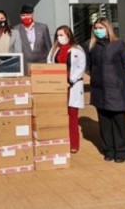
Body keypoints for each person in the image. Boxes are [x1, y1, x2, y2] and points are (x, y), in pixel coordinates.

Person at [87, 18, 125, 162]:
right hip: (100, 90)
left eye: (101, 27)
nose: (98, 30)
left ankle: (122, 150)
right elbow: (90, 66)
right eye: (96, 28)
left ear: (108, 28)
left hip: (116, 89)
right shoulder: (92, 46)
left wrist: (121, 82)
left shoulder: (118, 44)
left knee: (118, 121)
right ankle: (108, 149)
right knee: (104, 122)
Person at [47, 25, 86, 153]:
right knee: (58, 114)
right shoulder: (54, 49)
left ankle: (73, 144)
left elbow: (81, 67)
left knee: (72, 116)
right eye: (58, 35)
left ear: (69, 35)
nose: (60, 37)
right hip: (58, 86)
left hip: (72, 86)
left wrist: (70, 80)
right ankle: (60, 141)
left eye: (62, 35)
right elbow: (50, 64)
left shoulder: (77, 49)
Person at [13, 4, 52, 75]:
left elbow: (49, 47)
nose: (26, 17)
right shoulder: (16, 30)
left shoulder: (43, 28)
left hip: (42, 65)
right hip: (25, 66)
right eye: (23, 15)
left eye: (28, 15)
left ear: (32, 15)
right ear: (20, 16)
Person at [0, 10, 22, 75]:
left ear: (6, 19)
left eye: (2, 18)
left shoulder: (14, 33)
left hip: (9, 68)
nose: (0, 21)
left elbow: (18, 53)